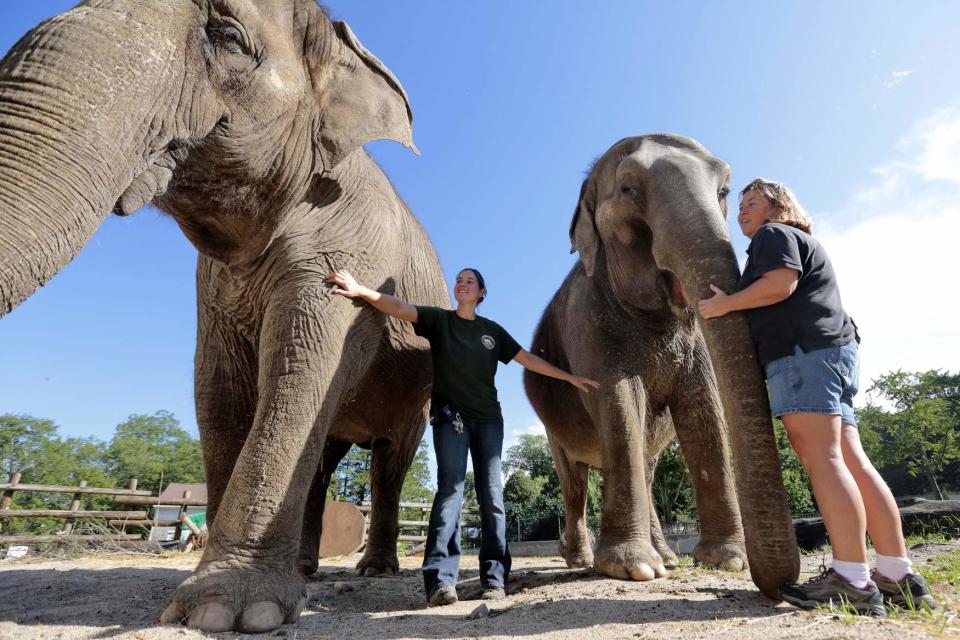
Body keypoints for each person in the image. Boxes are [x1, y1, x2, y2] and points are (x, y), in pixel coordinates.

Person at [698, 178, 935, 615]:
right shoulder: (802, 240)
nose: (743, 211)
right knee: (851, 460)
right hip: (832, 352)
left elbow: (779, 285)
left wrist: (727, 304)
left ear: (777, 206)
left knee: (823, 459)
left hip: (802, 355)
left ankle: (850, 577)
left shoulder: (775, 235)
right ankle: (897, 575)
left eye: (752, 203)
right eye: (742, 205)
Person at [325, 267, 600, 606]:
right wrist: (360, 289)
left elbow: (527, 359)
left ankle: (495, 580)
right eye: (459, 280)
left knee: (493, 498)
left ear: (481, 293)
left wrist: (570, 378)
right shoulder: (440, 321)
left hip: (488, 423)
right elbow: (398, 307)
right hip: (449, 420)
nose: (462, 284)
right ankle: (441, 582)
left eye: (470, 281)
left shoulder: (491, 332)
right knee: (450, 493)